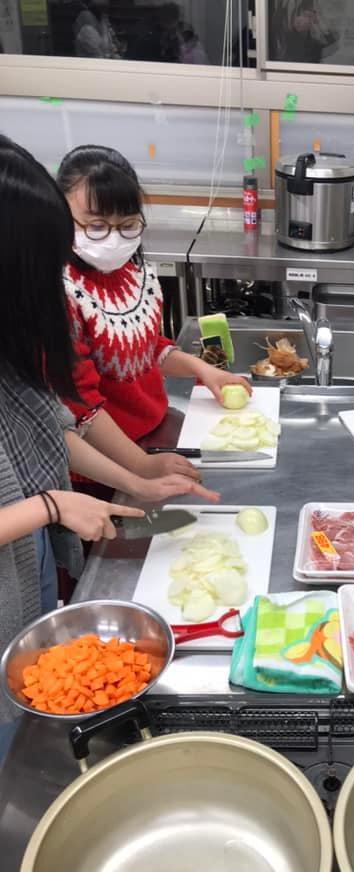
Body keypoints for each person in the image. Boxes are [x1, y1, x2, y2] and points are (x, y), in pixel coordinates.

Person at [0, 135, 217, 657]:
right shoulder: (55, 297)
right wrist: (51, 505)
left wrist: (136, 480)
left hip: (28, 559)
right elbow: (77, 408)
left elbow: (48, 427)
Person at [56, 145, 251, 480]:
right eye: (97, 226)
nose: (114, 239)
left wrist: (204, 370)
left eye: (128, 225)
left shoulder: (132, 274)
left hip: (150, 438)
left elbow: (144, 348)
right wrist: (139, 465)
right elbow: (79, 402)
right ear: (60, 214)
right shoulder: (60, 292)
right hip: (101, 468)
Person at [270, 0, 338, 63]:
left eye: (313, 15)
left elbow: (332, 44)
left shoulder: (312, 40)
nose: (312, 20)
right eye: (307, 15)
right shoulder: (288, 40)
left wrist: (321, 26)